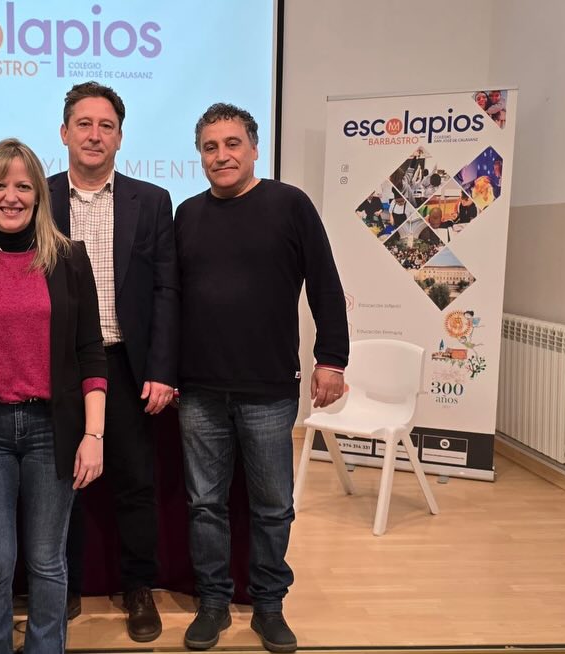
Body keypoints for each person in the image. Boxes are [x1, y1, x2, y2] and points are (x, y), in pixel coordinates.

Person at [174, 103, 349, 653]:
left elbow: (325, 284)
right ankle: (213, 603)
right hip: (198, 389)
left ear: (254, 148)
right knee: (205, 506)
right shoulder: (186, 214)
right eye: (210, 147)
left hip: (269, 388)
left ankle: (269, 606)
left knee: (273, 506)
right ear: (200, 155)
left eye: (232, 144)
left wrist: (332, 359)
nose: (221, 155)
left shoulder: (289, 205)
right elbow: (171, 299)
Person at [0, 138, 108, 653]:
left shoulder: (69, 259)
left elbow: (91, 353)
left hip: (54, 430)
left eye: (24, 186)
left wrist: (94, 435)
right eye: (0, 185)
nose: (11, 196)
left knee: (48, 561)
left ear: (39, 196)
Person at [48, 81, 178, 642]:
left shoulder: (151, 201)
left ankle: (138, 587)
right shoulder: (39, 197)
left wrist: (163, 367)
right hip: (58, 367)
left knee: (134, 482)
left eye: (106, 126)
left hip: (126, 364)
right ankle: (62, 585)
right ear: (64, 133)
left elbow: (167, 289)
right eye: (84, 124)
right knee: (60, 481)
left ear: (120, 137)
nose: (94, 135)